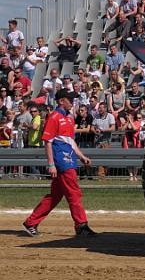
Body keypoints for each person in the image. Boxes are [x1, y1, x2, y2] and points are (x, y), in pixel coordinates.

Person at [22, 90, 96, 237]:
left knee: (55, 196)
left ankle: (31, 222)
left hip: (69, 159)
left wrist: (81, 156)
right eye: (70, 99)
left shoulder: (69, 118)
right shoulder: (54, 117)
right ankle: (81, 225)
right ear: (61, 101)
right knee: (74, 193)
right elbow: (48, 142)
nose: (72, 102)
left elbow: (70, 141)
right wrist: (51, 164)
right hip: (62, 162)